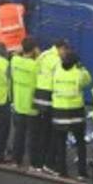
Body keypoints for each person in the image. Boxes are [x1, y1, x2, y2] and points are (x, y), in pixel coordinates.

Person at [50, 50, 91, 179]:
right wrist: (81, 67)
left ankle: (61, 170)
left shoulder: (56, 72)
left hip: (59, 112)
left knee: (60, 143)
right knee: (80, 143)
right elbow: (88, 80)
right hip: (75, 113)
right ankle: (81, 172)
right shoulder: (79, 74)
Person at [32, 39, 68, 172]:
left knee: (40, 130)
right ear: (61, 48)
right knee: (48, 132)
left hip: (39, 95)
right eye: (65, 50)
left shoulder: (43, 54)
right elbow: (59, 79)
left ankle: (36, 162)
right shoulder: (57, 60)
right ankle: (46, 162)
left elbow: (36, 70)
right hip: (49, 97)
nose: (65, 53)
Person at [9, 37, 40, 169]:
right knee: (33, 137)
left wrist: (22, 49)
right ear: (33, 50)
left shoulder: (15, 61)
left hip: (18, 104)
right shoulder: (35, 65)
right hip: (31, 106)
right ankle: (33, 163)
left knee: (18, 135)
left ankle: (16, 160)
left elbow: (14, 54)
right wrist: (38, 54)